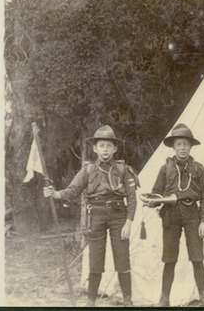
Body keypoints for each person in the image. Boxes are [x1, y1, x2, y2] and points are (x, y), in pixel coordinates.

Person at [43, 125, 138, 307]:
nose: (105, 150)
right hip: (96, 215)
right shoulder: (87, 170)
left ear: (115, 149)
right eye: (101, 146)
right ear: (95, 149)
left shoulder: (123, 170)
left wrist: (129, 222)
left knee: (122, 258)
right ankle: (91, 302)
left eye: (109, 146)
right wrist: (54, 194)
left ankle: (128, 300)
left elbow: (132, 199)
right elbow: (72, 191)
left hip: (119, 215)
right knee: (96, 258)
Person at [151, 123, 204, 307]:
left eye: (186, 144)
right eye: (179, 144)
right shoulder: (165, 168)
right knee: (169, 258)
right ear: (173, 146)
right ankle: (164, 298)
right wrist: (155, 202)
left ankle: (203, 297)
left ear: (191, 146)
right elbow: (156, 192)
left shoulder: (199, 168)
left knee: (197, 257)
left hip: (192, 213)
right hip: (171, 215)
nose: (183, 148)